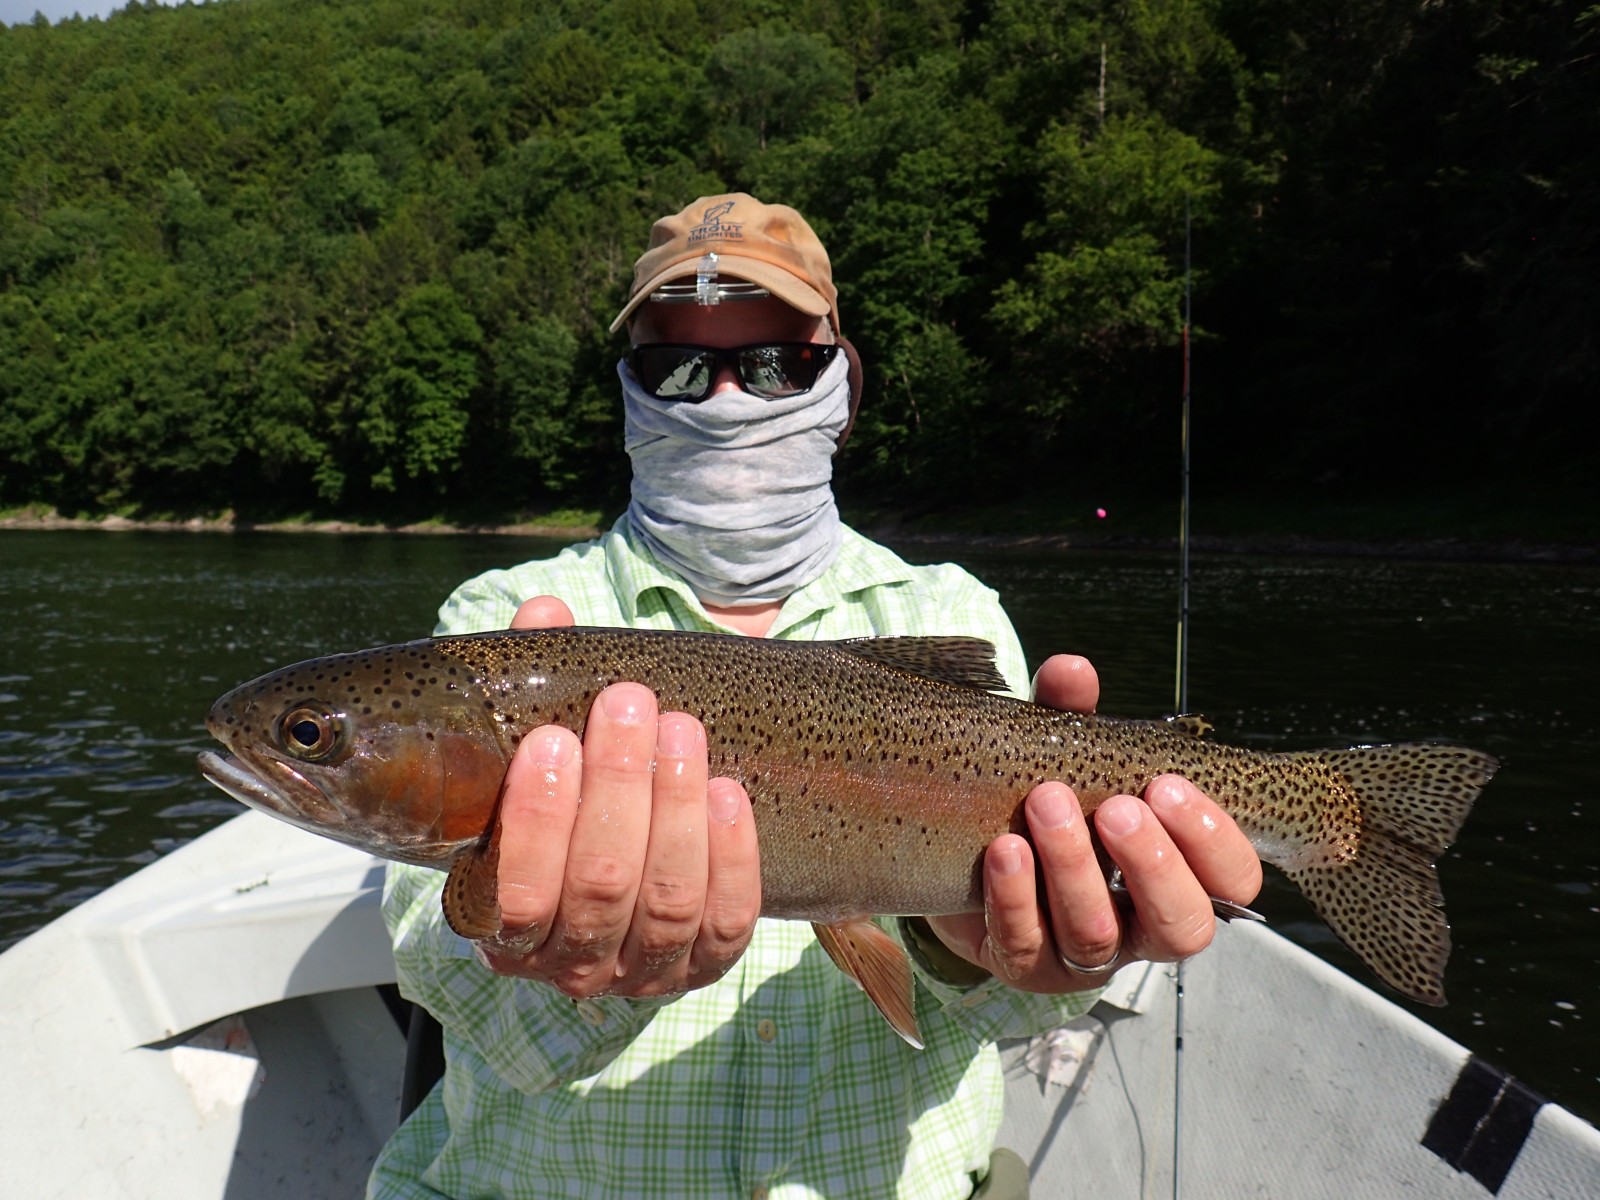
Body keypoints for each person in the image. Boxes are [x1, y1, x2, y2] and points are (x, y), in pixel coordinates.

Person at [368, 194, 1263, 1200]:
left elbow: (1016, 1018)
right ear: (629, 392)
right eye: (675, 368)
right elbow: (450, 985)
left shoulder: (950, 607)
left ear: (841, 383)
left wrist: (988, 956)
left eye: (771, 365)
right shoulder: (505, 625)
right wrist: (568, 963)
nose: (721, 399)